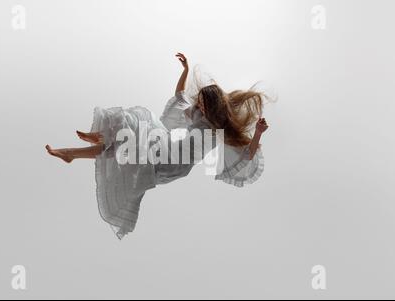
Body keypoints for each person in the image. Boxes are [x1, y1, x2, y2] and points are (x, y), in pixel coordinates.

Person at [46, 53, 270, 239]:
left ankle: (103, 138)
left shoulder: (219, 130)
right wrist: (185, 70)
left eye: (203, 103)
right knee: (130, 136)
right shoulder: (196, 115)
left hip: (174, 163)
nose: (198, 105)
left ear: (212, 106)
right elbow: (180, 96)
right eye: (199, 102)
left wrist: (258, 133)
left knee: (134, 131)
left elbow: (248, 154)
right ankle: (73, 153)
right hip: (166, 147)